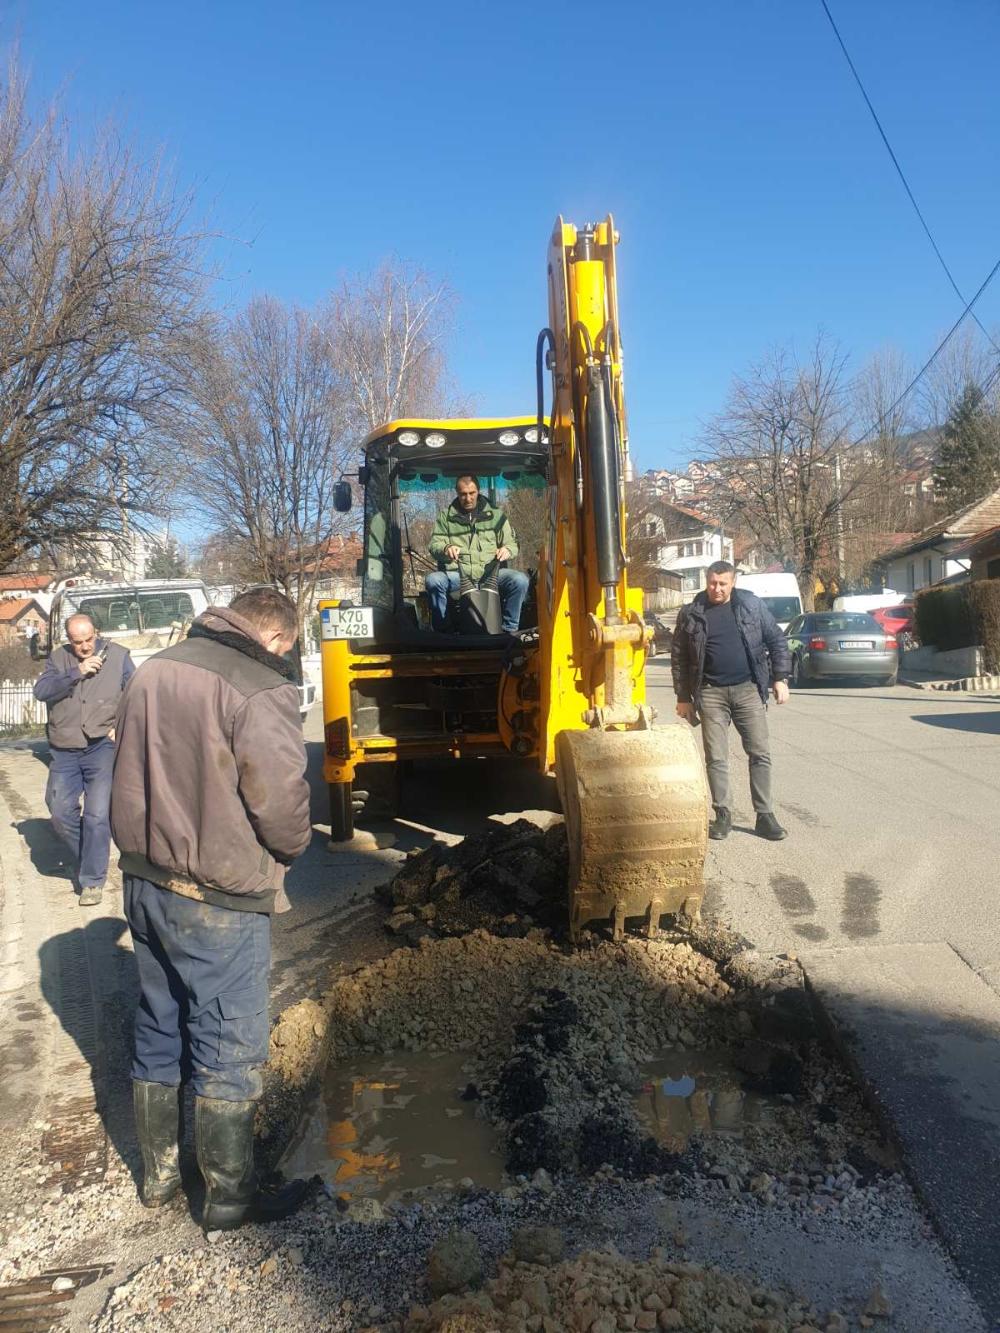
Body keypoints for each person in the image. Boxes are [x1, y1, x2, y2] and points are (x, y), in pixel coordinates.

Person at [110, 589, 313, 1230]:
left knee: (158, 1026)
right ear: (277, 637)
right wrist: (295, 846)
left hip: (145, 883)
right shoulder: (258, 687)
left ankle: (160, 1178)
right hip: (218, 897)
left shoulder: (154, 670)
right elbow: (281, 809)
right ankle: (229, 1198)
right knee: (229, 1041)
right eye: (290, 647)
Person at [672, 561, 791, 842]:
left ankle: (765, 816)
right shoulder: (691, 613)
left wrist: (780, 678)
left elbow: (776, 640)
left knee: (760, 753)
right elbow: (679, 657)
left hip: (748, 689)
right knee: (716, 757)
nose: (717, 589)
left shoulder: (751, 605)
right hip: (711, 693)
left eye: (723, 583)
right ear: (706, 581)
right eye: (713, 583)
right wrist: (682, 697)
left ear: (733, 582)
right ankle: (723, 814)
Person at [33, 614, 135, 906]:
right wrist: (75, 671)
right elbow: (42, 691)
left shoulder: (118, 657)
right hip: (64, 748)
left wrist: (122, 724)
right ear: (69, 640)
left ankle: (92, 880)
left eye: (89, 640)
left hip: (101, 745)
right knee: (59, 812)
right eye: (78, 642)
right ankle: (89, 858)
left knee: (96, 815)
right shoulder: (58, 659)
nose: (85, 647)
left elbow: (137, 693)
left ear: (96, 633)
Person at [425, 474, 529, 633]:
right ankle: (444, 633)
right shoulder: (445, 517)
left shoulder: (496, 516)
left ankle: (509, 631)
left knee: (520, 580)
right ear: (457, 493)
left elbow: (513, 543)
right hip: (459, 576)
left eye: (472, 493)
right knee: (434, 580)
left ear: (478, 492)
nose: (468, 498)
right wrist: (446, 548)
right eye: (463, 494)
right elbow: (434, 545)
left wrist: (507, 550)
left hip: (491, 575)